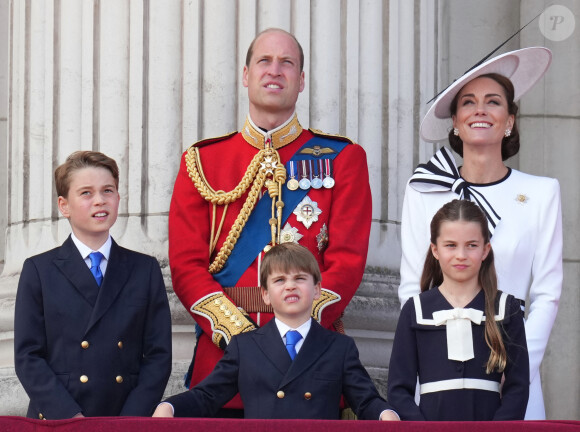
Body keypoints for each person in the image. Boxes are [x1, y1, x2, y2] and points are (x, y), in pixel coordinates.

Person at [168, 28, 372, 411]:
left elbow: (346, 262)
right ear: (246, 75)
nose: (274, 70)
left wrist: (293, 329)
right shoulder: (203, 162)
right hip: (224, 360)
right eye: (264, 61)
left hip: (310, 360)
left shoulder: (344, 159)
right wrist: (244, 339)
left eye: (287, 63)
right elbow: (185, 265)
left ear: (301, 80)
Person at [398, 47, 561, 419]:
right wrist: (432, 361)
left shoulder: (541, 192)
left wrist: (517, 367)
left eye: (493, 101)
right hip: (440, 375)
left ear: (509, 120)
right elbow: (412, 287)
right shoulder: (424, 189)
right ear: (455, 120)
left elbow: (548, 293)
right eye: (468, 102)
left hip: (512, 374)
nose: (480, 110)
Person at [153, 243, 398, 420]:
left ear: (317, 290)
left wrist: (386, 414)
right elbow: (207, 396)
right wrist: (169, 407)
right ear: (265, 295)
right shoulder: (245, 347)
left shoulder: (339, 348)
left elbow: (365, 400)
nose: (290, 285)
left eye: (300, 278)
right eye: (279, 280)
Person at [14, 151, 172, 419]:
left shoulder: (144, 269)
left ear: (118, 199)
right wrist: (68, 416)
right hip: (60, 419)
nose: (100, 200)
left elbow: (158, 356)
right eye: (86, 193)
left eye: (107, 190)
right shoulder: (39, 270)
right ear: (64, 206)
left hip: (124, 416)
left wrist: (130, 420)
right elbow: (28, 357)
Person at [389, 199, 529, 420]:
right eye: (451, 245)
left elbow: (518, 388)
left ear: (485, 250)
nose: (461, 255)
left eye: (472, 245)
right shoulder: (415, 310)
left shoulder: (506, 309)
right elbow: (398, 391)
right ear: (435, 250)